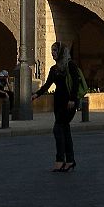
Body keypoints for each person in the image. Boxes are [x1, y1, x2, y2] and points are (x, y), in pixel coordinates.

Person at [32, 42, 81, 171]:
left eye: (54, 51)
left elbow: (76, 83)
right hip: (58, 103)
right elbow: (47, 85)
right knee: (64, 130)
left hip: (69, 103)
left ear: (60, 52)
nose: (52, 53)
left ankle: (60, 160)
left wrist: (72, 99)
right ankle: (70, 160)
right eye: (52, 51)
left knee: (58, 129)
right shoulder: (54, 69)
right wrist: (36, 94)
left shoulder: (70, 65)